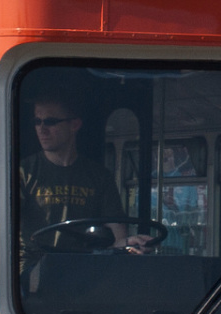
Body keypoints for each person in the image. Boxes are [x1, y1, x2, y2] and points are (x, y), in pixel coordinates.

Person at [17, 93, 148, 250]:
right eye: (37, 122)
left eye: (50, 122)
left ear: (75, 125)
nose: (41, 129)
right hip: (33, 266)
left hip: (81, 266)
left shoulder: (99, 176)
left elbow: (117, 234)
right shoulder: (24, 172)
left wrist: (128, 244)